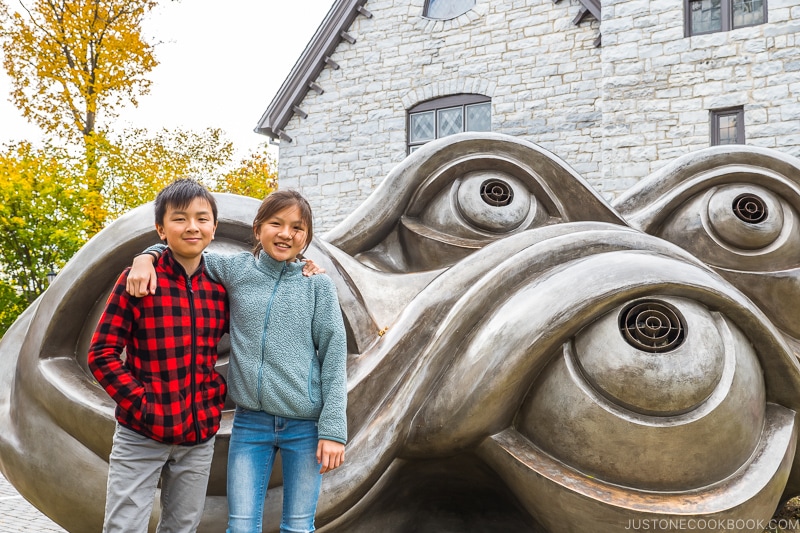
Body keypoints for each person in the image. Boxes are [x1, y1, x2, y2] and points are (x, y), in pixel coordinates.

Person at [127, 189, 348, 533]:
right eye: (276, 223)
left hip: (305, 426)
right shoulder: (235, 269)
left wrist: (334, 430)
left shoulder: (317, 285)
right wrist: (147, 256)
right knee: (242, 526)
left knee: (298, 527)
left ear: (306, 237)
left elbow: (334, 355)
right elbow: (187, 251)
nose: (286, 234)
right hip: (251, 424)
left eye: (297, 228)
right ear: (258, 228)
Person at [88, 178, 229, 533]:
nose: (192, 227)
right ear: (161, 228)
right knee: (124, 527)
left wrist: (306, 269)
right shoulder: (136, 281)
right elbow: (101, 354)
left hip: (198, 435)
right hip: (141, 433)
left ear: (214, 226)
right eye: (179, 219)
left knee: (182, 528)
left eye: (202, 218)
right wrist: (144, 403)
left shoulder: (222, 285)